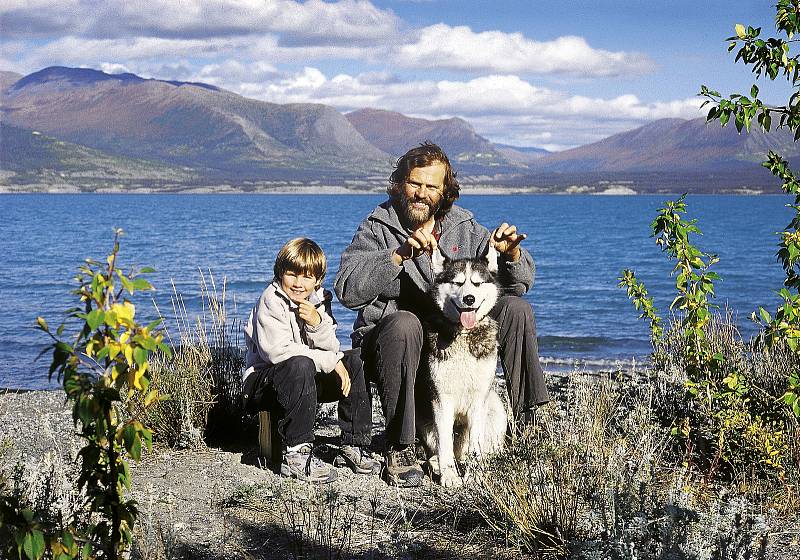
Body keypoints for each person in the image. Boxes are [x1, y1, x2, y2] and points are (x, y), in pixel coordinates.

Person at [334, 142, 550, 487]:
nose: (421, 194)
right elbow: (346, 289)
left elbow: (521, 284)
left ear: (445, 191)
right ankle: (401, 446)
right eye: (414, 183)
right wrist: (397, 255)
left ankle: (531, 424)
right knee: (405, 323)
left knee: (516, 309)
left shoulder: (464, 228)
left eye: (432, 186)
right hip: (395, 349)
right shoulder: (378, 227)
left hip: (452, 347)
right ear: (400, 183)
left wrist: (511, 254)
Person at [243, 237, 380, 483]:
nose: (298, 283)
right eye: (291, 274)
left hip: (303, 381)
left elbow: (332, 348)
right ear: (280, 273)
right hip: (263, 384)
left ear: (317, 280)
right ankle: (297, 454)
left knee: (354, 360)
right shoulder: (271, 300)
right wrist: (330, 362)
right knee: (301, 363)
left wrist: (317, 323)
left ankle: (353, 444)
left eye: (306, 277)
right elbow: (278, 353)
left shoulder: (318, 299)